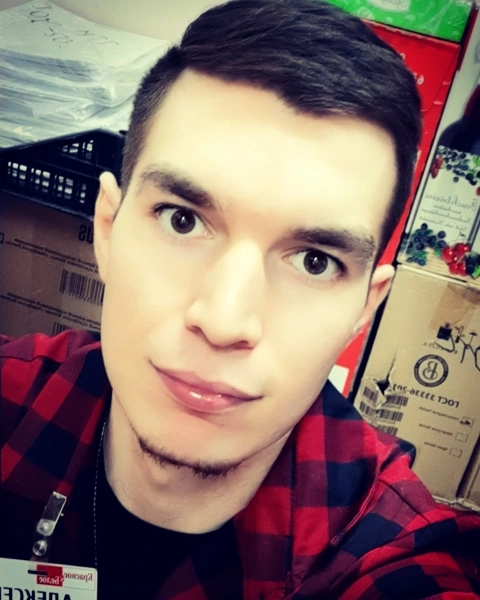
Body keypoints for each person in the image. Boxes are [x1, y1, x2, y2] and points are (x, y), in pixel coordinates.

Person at [1, 0, 479, 598]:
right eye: (181, 220)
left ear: (365, 307)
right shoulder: (14, 405)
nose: (225, 321)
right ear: (107, 229)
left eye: (314, 261)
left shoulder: (386, 554)